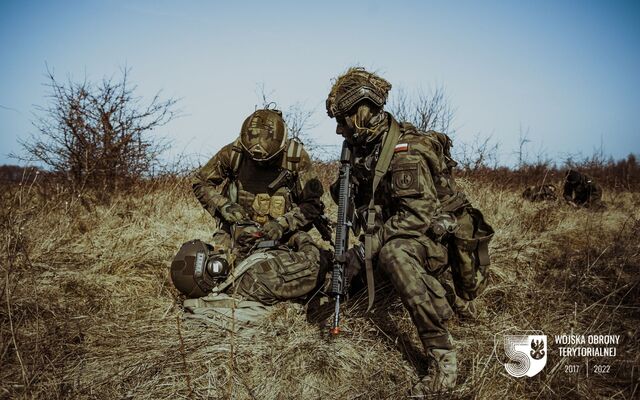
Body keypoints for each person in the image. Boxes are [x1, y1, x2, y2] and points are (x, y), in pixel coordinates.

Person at [326, 68, 493, 392]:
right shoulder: (367, 148)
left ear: (360, 114)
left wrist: (363, 251)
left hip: (435, 240)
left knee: (393, 253)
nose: (337, 129)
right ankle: (442, 298)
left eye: (342, 119)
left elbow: (415, 217)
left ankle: (442, 357)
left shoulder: (405, 152)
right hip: (407, 232)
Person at [170, 108, 328, 307]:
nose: (260, 163)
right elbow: (201, 181)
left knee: (305, 267)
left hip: (284, 237)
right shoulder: (233, 153)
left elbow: (312, 205)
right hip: (236, 233)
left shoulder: (296, 158)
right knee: (209, 276)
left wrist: (282, 224)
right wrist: (224, 206)